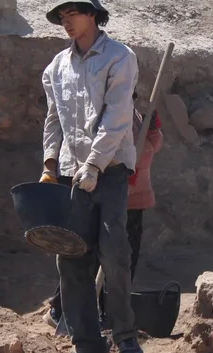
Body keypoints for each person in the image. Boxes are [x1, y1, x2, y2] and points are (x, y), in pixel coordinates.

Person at [39, 0, 142, 353]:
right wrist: (50, 163)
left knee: (114, 253)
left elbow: (116, 118)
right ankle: (87, 350)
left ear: (93, 14)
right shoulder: (56, 66)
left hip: (109, 173)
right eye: (62, 14)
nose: (67, 20)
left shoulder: (119, 57)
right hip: (70, 176)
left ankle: (125, 335)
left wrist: (95, 165)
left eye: (74, 12)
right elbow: (53, 119)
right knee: (71, 261)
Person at [47, 98, 164, 333]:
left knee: (121, 262)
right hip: (111, 197)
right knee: (92, 259)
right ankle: (63, 311)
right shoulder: (104, 119)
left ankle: (104, 315)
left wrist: (152, 129)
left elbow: (151, 147)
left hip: (135, 200)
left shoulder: (133, 115)